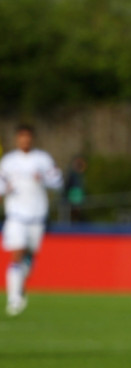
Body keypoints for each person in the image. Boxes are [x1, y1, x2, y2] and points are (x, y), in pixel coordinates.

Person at [0, 124, 62, 316]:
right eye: (21, 137)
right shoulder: (8, 162)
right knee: (16, 254)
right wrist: (7, 188)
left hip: (36, 216)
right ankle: (13, 298)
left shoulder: (42, 159)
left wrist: (42, 178)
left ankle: (19, 287)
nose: (25, 140)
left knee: (29, 258)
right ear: (17, 139)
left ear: (32, 139)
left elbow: (58, 181)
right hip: (16, 216)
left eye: (28, 137)